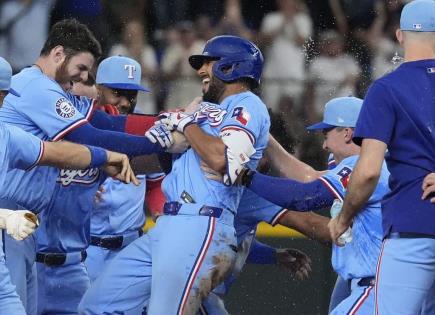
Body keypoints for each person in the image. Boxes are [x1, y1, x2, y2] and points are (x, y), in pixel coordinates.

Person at [79, 34, 270, 315]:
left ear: (231, 68)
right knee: (96, 306)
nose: (201, 71)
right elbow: (159, 159)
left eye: (208, 63)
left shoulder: (248, 105)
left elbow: (222, 159)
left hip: (201, 222)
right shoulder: (206, 110)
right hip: (168, 225)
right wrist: (104, 163)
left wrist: (186, 123)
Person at [0, 19, 175, 314]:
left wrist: (167, 126)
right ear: (58, 54)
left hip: (28, 230)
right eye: (81, 69)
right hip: (10, 221)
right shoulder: (37, 87)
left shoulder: (49, 90)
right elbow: (89, 135)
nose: (82, 77)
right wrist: (163, 137)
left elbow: (102, 124)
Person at [0, 56, 137, 315]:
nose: (4, 102)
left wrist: (103, 158)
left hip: (64, 262)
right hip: (22, 251)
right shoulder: (26, 126)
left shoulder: (11, 136)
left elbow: (54, 152)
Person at [327, 1, 435, 314]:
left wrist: (343, 218)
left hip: (412, 229)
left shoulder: (387, 88)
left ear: (400, 35)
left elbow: (369, 172)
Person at [236, 97, 390, 314]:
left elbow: (305, 196)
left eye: (327, 134)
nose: (324, 145)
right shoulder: (368, 165)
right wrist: (266, 137)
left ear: (347, 133)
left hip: (377, 283)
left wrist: (245, 176)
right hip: (369, 280)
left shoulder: (367, 167)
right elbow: (308, 178)